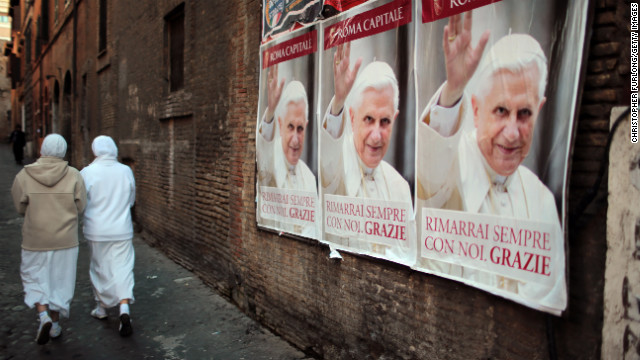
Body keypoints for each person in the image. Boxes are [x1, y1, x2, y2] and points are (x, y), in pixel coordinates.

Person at [416, 12, 566, 312]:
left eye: (524, 114)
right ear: (476, 107)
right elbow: (430, 178)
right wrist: (453, 90)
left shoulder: (543, 202)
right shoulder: (451, 164)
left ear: (540, 110)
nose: (512, 133)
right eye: (500, 111)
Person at [320, 43, 412, 253]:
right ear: (352, 118)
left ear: (394, 120)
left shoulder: (400, 188)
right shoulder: (336, 168)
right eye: (369, 119)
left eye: (385, 121)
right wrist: (339, 102)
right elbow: (328, 152)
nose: (377, 135)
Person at [11, 134, 86, 344]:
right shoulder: (74, 175)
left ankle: (42, 314)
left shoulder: (24, 175)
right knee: (60, 282)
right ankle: (54, 324)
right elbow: (81, 206)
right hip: (65, 240)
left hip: (35, 239)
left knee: (34, 277)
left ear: (42, 149)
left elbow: (19, 207)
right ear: (63, 150)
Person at [80, 135, 136, 337]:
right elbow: (131, 200)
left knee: (99, 267)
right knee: (123, 267)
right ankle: (124, 309)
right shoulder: (125, 171)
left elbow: (82, 202)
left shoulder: (86, 172)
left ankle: (102, 308)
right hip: (121, 228)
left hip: (96, 230)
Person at [257, 65, 318, 236]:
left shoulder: (309, 179)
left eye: (300, 129)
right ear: (280, 124)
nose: (296, 139)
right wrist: (270, 112)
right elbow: (263, 149)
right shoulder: (269, 165)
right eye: (290, 127)